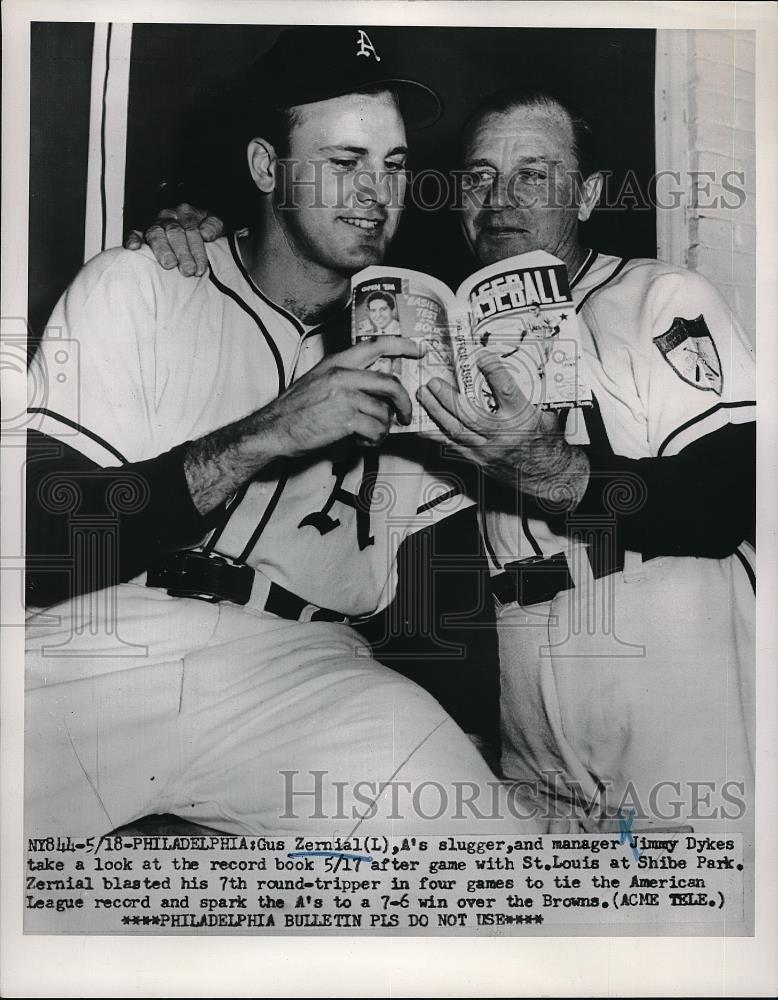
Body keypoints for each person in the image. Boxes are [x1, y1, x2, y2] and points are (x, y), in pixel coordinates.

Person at [149, 87, 755, 834]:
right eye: (478, 177)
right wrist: (202, 238)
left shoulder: (656, 294)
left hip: (665, 646)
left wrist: (555, 472)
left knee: (707, 912)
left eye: (534, 174)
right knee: (561, 929)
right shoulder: (443, 343)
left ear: (589, 194)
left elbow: (739, 492)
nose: (500, 199)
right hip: (528, 679)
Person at [25, 28, 545, 837]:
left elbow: (441, 615)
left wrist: (473, 747)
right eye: (344, 163)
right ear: (268, 169)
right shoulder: (144, 287)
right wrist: (266, 433)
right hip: (109, 639)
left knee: (483, 844)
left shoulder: (425, 345)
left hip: (306, 668)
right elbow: (48, 546)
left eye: (395, 165)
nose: (377, 192)